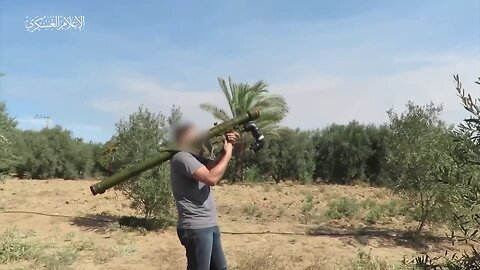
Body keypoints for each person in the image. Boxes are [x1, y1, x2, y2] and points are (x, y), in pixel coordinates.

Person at [170, 123, 239, 270]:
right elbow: (211, 178)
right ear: (183, 139)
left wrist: (227, 145)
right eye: (193, 134)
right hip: (196, 227)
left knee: (220, 267)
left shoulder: (194, 158)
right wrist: (228, 154)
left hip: (208, 224)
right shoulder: (181, 157)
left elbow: (213, 166)